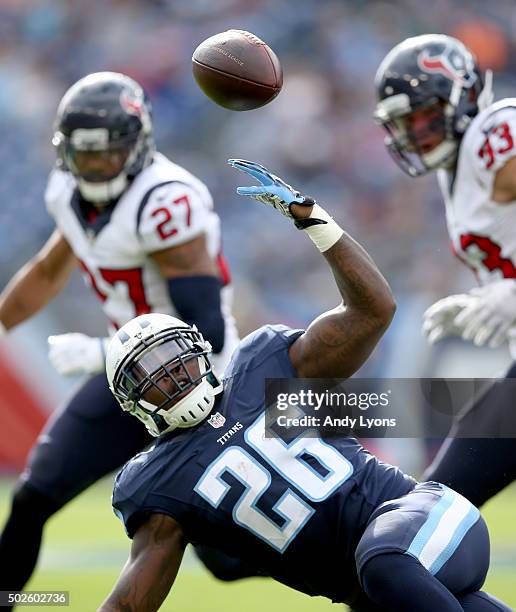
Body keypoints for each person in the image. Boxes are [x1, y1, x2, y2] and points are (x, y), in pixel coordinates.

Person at [100, 160, 511, 611]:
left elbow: (374, 309)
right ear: (134, 403)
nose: (172, 374)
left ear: (197, 349)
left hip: (425, 521)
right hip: (380, 591)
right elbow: (127, 605)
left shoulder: (262, 365)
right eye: (153, 375)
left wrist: (316, 221)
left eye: (173, 357)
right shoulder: (160, 483)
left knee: (383, 561)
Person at [0, 71, 243, 602]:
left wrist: (99, 351)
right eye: (84, 156)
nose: (94, 167)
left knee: (222, 559)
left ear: (137, 147)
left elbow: (208, 326)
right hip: (127, 378)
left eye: (107, 154)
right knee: (34, 494)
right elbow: (46, 271)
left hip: (194, 384)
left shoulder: (165, 201)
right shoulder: (68, 192)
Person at [374, 34, 516, 506]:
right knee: (433, 508)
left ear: (461, 96)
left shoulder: (495, 134)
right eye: (402, 122)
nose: (414, 132)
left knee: (429, 512)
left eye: (423, 114)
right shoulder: (455, 171)